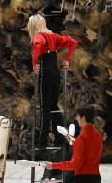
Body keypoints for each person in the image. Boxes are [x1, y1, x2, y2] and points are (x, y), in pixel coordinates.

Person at [27, 14, 77, 148]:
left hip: (46, 74)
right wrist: (66, 59)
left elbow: (38, 45)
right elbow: (73, 42)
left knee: (45, 108)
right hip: (56, 74)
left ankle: (42, 143)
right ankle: (60, 138)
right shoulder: (53, 36)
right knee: (53, 106)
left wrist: (34, 63)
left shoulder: (39, 36)